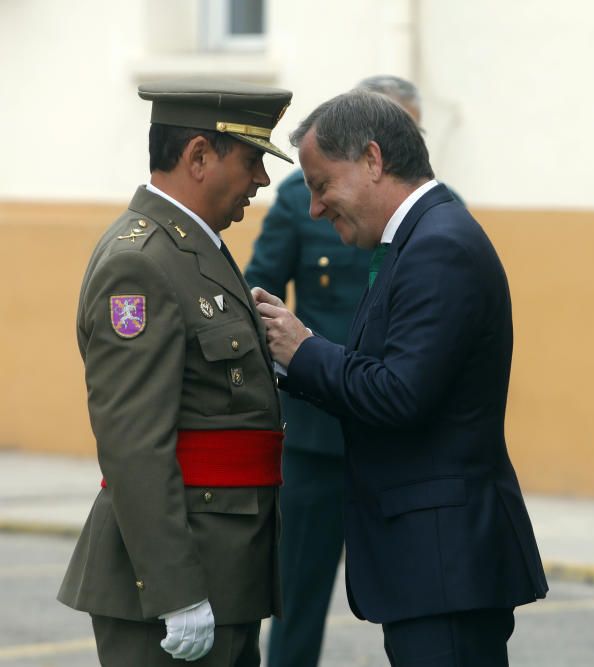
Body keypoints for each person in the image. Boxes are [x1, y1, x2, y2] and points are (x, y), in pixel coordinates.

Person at [253, 89, 547, 667]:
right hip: (431, 564)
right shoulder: (418, 238)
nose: (313, 208)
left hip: (444, 562)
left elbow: (399, 392)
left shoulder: (438, 245)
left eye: (321, 185)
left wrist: (304, 349)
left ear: (372, 159)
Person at [57, 79, 293, 666]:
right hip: (175, 587)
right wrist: (176, 592)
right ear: (198, 156)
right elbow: (134, 444)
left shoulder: (193, 247)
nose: (262, 179)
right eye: (252, 158)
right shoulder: (142, 263)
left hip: (225, 571)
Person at [244, 74, 432, 667]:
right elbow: (261, 292)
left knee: (419, 603)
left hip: (399, 433)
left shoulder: (426, 216)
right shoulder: (308, 195)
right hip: (320, 439)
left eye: (415, 128)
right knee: (299, 597)